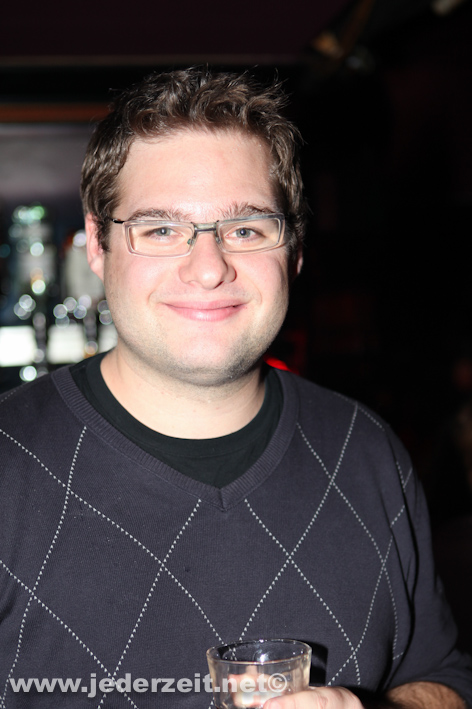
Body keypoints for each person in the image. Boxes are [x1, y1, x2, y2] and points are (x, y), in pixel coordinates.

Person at [0, 68, 471, 709]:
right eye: (161, 229)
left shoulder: (366, 450)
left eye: (246, 229)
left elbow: (442, 675)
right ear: (99, 247)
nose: (208, 267)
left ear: (294, 250)